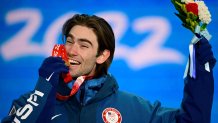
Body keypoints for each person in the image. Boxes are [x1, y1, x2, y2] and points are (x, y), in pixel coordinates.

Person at [2, 14, 216, 123]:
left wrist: (201, 72)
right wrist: (42, 92)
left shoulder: (134, 109)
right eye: (69, 41)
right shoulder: (32, 101)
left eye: (84, 45)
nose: (72, 50)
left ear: (103, 55)